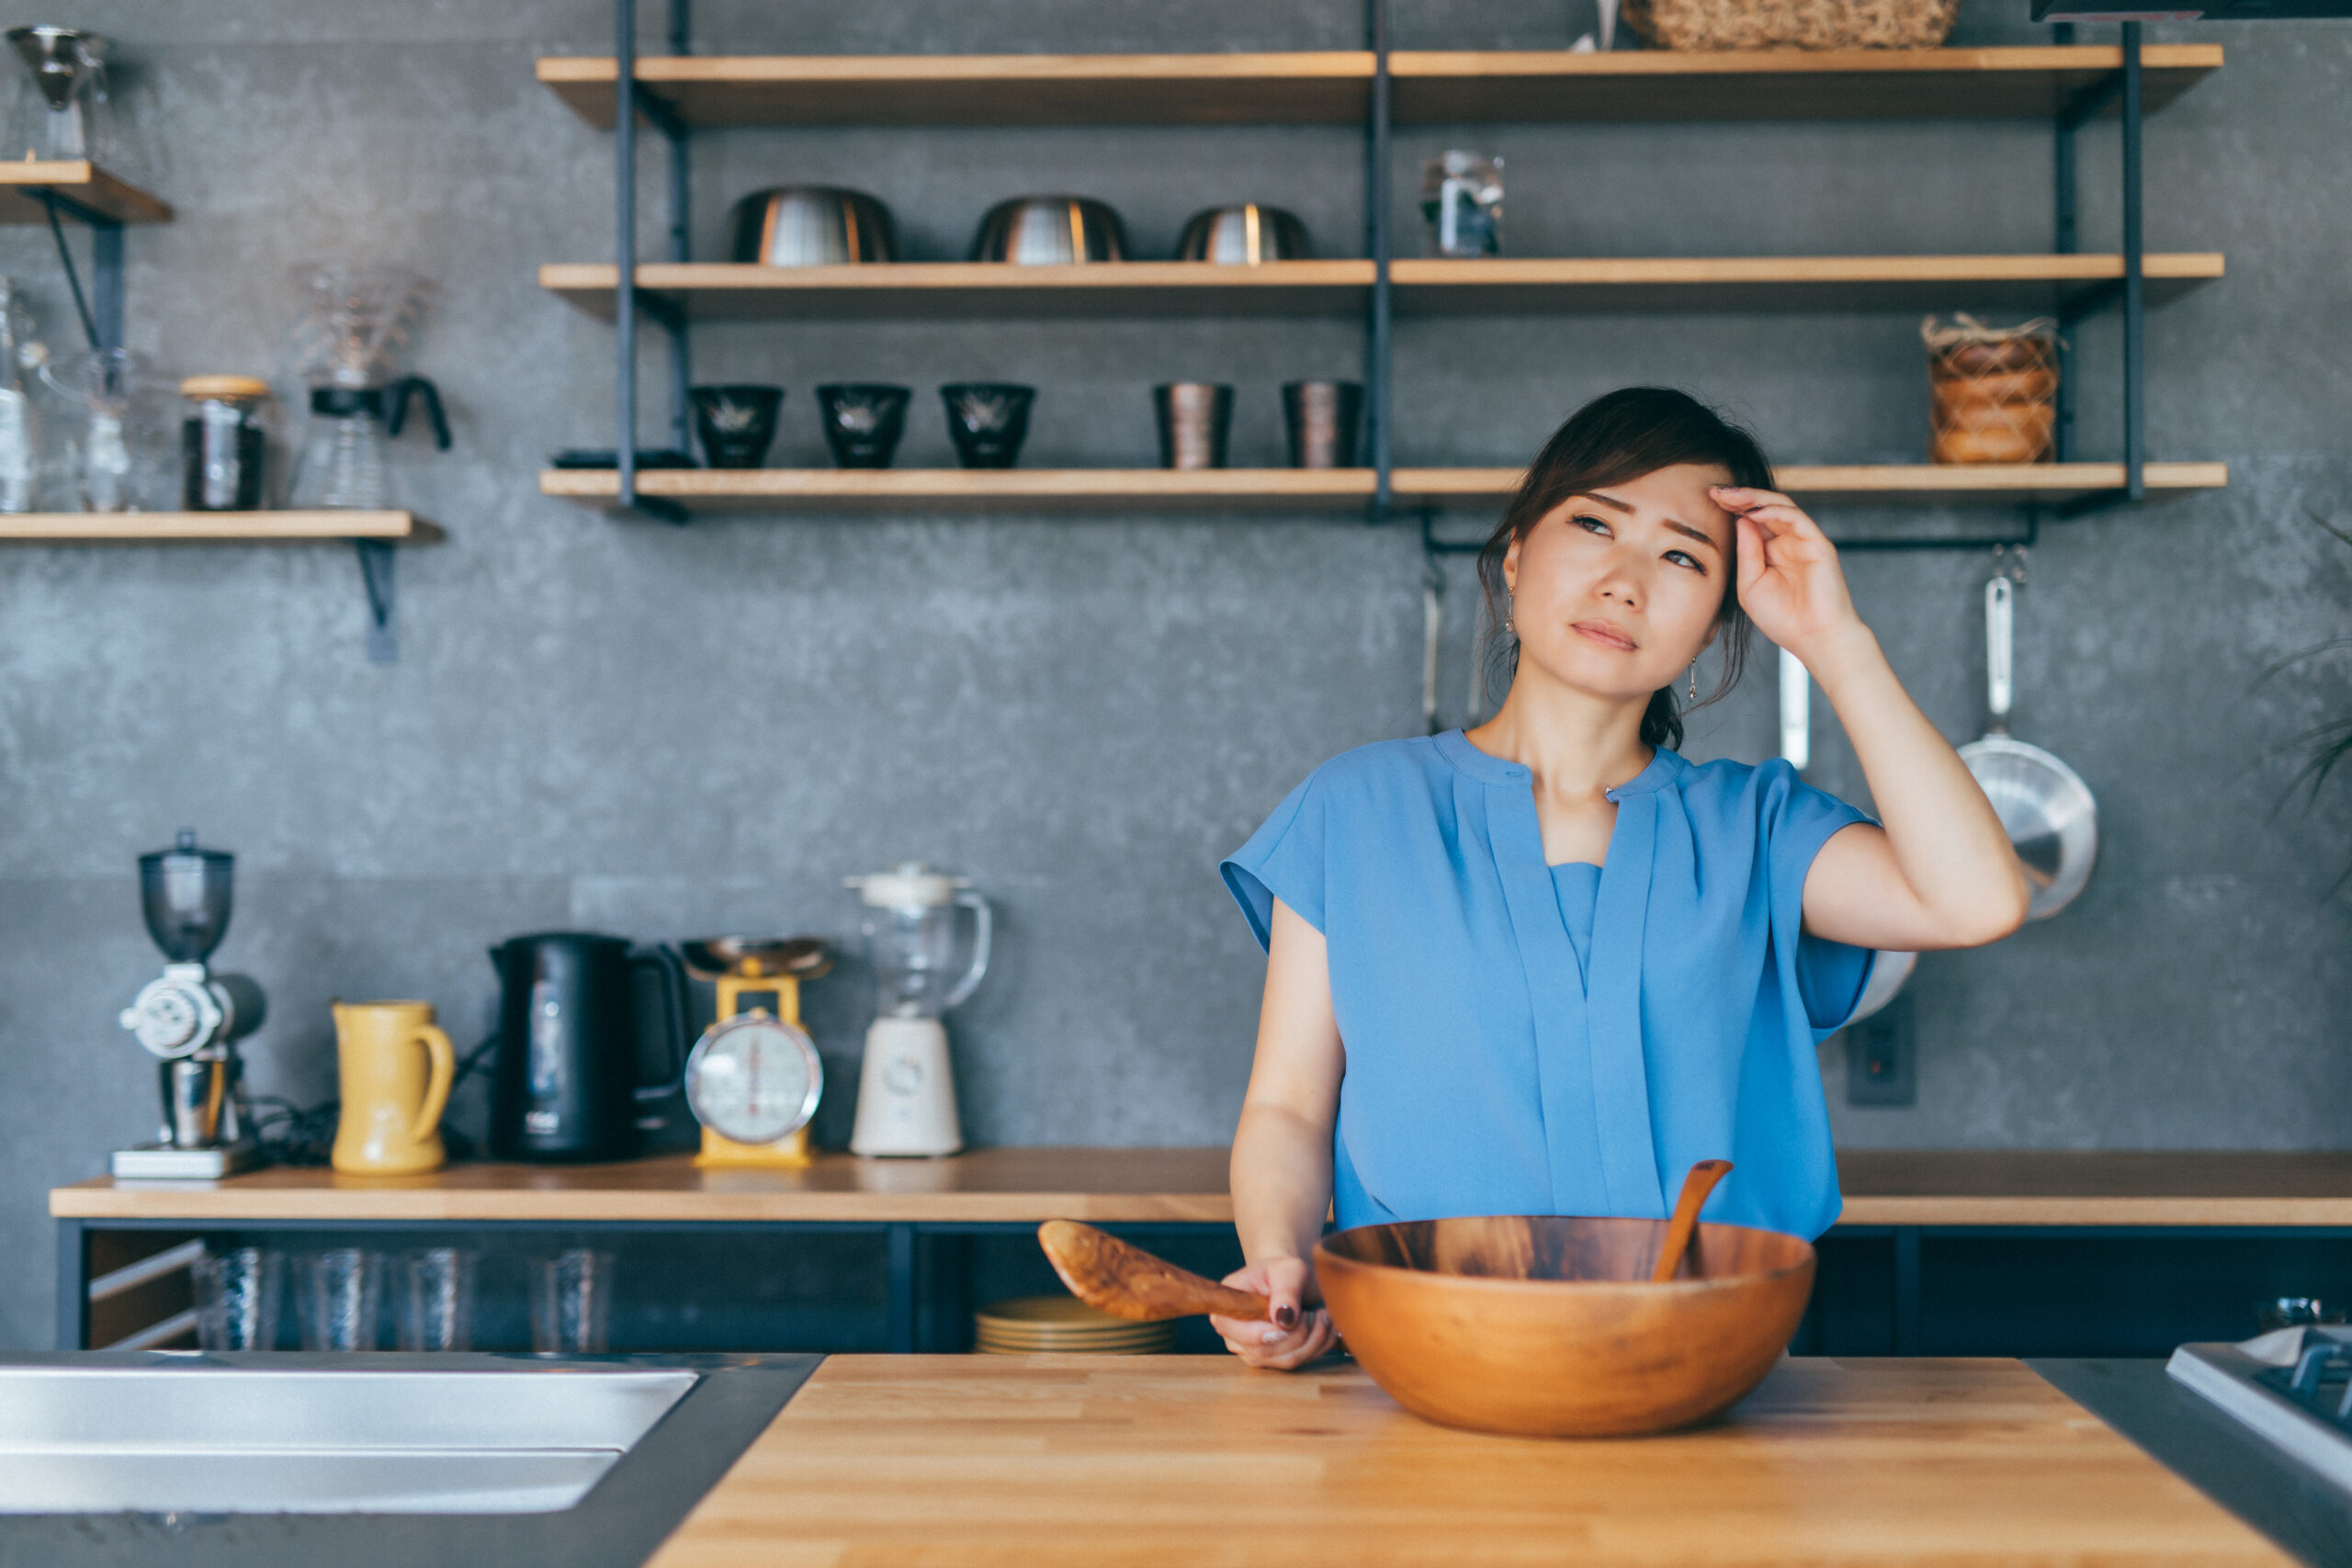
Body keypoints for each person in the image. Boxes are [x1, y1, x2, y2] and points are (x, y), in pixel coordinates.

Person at [1212, 388, 2028, 1369]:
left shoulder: (1756, 827)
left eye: (1683, 555)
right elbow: (1289, 1106)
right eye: (1593, 522)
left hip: (1702, 1368)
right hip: (1425, 1360)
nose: (1626, 580)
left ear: (1719, 622)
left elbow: (1975, 899)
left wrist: (1833, 645)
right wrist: (1274, 1262)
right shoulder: (1358, 807)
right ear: (1514, 556)